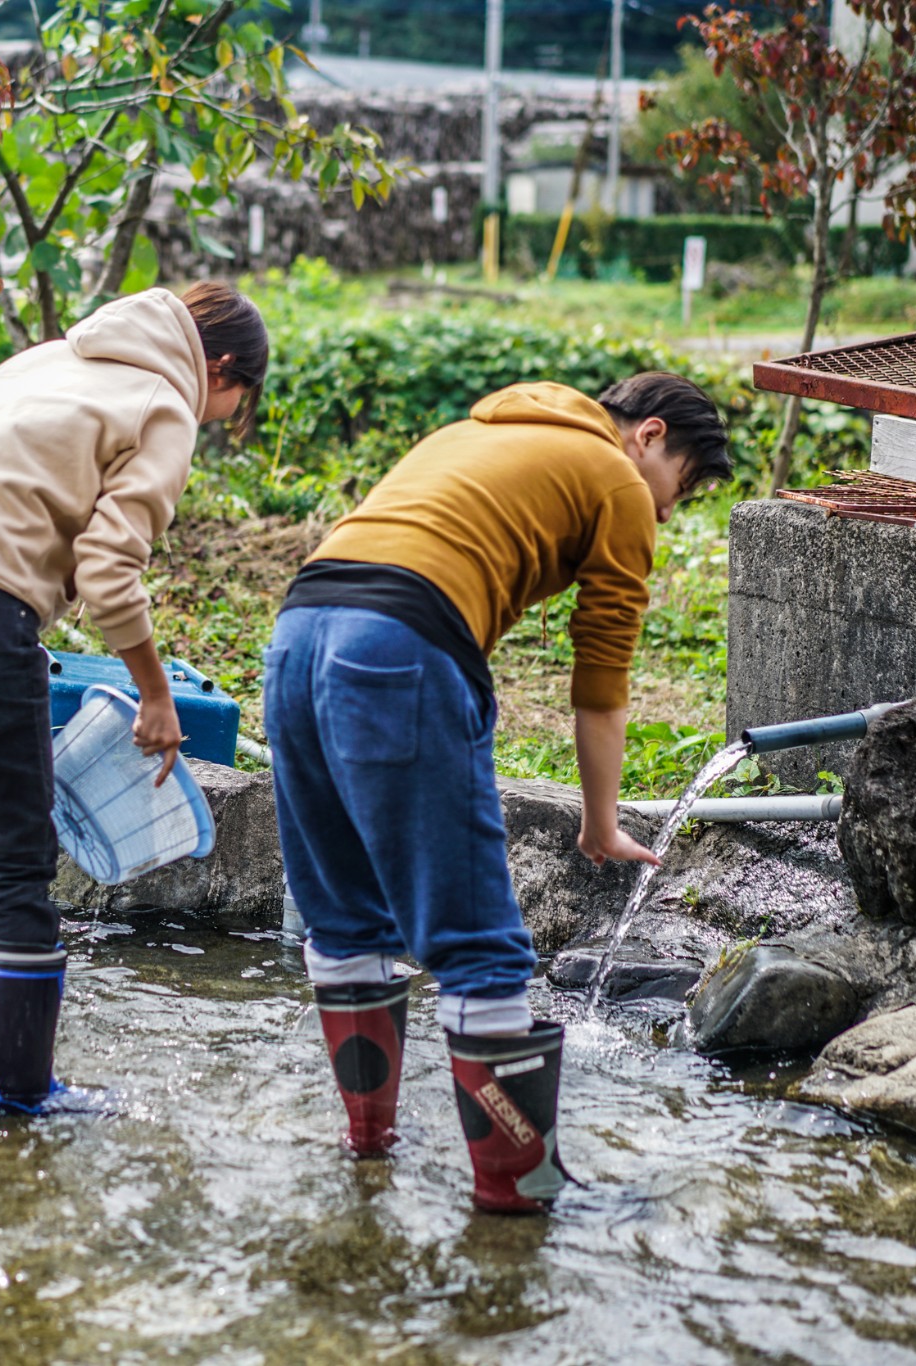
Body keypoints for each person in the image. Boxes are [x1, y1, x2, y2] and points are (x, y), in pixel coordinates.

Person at [262, 372, 732, 1211]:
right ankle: (518, 1197)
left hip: (296, 640)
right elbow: (601, 680)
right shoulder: (618, 478)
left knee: (346, 924)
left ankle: (367, 1149)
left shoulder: (473, 429)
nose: (666, 512)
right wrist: (600, 822)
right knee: (482, 952)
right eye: (682, 488)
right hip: (398, 649)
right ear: (651, 435)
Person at [0, 283, 268, 1115]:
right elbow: (109, 574)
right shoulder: (163, 403)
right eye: (234, 404)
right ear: (220, 368)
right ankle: (16, 1098)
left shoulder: (49, 359)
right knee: (17, 868)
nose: (220, 417)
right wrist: (156, 695)